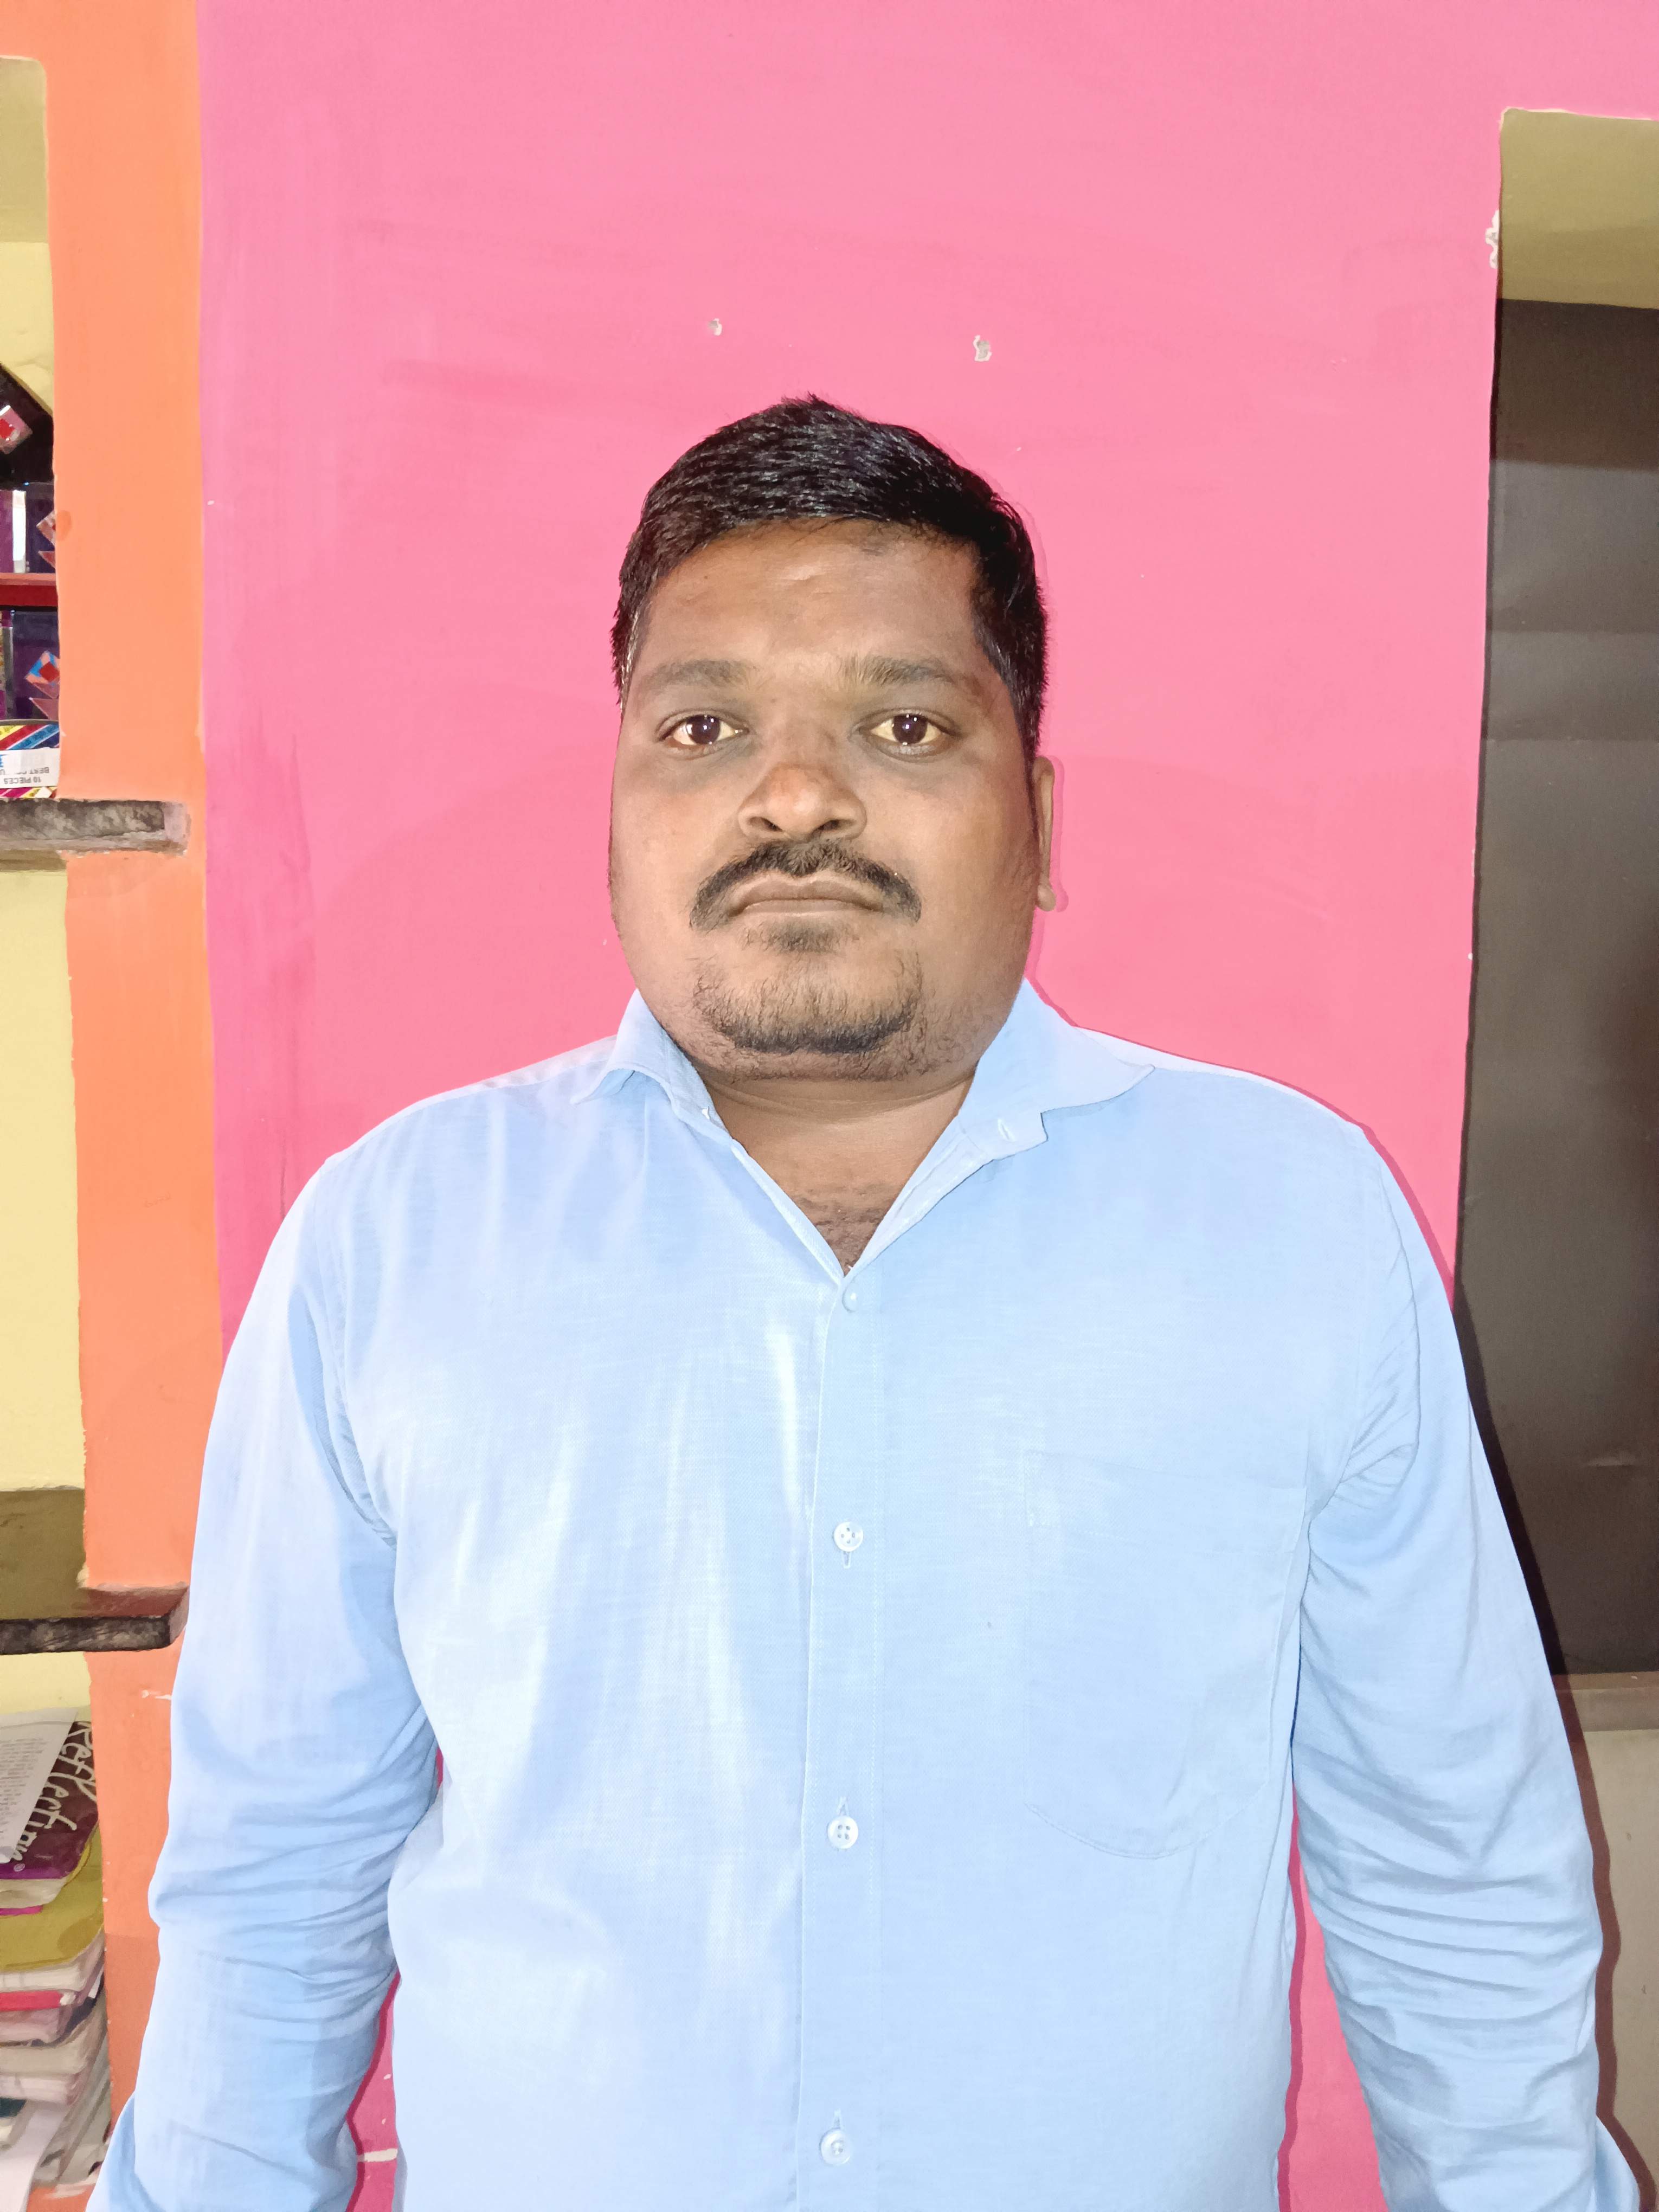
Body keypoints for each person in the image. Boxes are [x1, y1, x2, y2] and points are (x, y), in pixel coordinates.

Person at [95, 399, 1634, 2212]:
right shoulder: (392, 1241)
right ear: (613, 816)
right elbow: (275, 1869)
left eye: (903, 726)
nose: (796, 798)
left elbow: (1449, 1852)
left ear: (1037, 821)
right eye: (704, 728)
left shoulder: (1292, 1221)